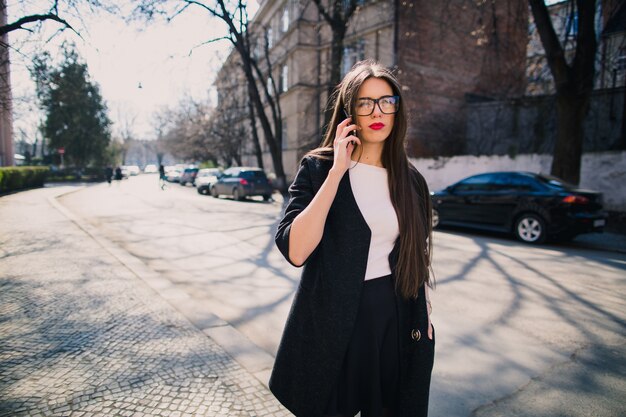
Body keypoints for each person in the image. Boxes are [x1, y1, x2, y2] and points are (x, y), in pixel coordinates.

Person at [270, 60, 435, 417]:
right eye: (364, 102)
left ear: (397, 109)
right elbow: (296, 251)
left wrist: (425, 316)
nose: (377, 111)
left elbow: (415, 258)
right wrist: (337, 172)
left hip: (394, 315)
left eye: (386, 101)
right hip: (331, 320)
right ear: (349, 111)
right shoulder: (318, 167)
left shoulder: (411, 181)